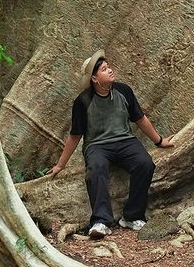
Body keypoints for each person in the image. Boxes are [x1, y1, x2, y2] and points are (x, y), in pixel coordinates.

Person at [48, 49, 174, 239]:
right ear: (94, 79)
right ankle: (101, 221)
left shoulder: (124, 91)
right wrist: (60, 164)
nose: (110, 71)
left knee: (145, 164)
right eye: (104, 69)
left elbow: (140, 119)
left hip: (125, 141)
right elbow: (75, 135)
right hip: (97, 146)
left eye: (109, 67)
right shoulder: (83, 102)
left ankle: (132, 217)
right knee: (96, 168)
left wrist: (159, 141)